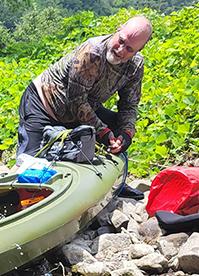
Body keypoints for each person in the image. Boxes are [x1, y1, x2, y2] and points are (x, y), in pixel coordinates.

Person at [15, 16, 153, 200]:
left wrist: (126, 134)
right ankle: (12, 198)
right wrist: (103, 133)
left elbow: (129, 104)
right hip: (44, 104)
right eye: (121, 41)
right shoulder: (92, 52)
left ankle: (115, 182)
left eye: (129, 49)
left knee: (119, 128)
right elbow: (76, 101)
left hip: (85, 108)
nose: (120, 50)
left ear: (139, 50)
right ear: (118, 29)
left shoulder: (135, 66)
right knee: (28, 164)